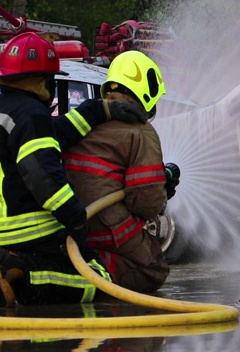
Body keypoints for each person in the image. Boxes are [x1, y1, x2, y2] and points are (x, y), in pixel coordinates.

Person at [0, 32, 144, 307]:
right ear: (45, 80)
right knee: (97, 279)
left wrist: (98, 110)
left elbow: (54, 135)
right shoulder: (31, 114)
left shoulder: (0, 109)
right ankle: (21, 272)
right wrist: (75, 216)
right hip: (20, 227)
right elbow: (42, 175)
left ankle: (6, 270)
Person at [63, 50, 179, 293]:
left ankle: (78, 263)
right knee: (153, 269)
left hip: (69, 225)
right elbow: (145, 201)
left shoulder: (85, 117)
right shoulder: (140, 131)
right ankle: (92, 272)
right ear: (146, 91)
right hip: (105, 227)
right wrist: (162, 193)